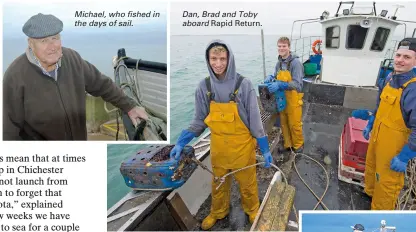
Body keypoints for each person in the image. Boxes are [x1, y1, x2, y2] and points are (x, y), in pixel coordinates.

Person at [170, 40, 273, 230]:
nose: (218, 63)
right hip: (218, 149)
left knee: (248, 185)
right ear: (208, 60)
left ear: (230, 59)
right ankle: (219, 212)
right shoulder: (204, 87)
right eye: (213, 59)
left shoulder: (244, 84)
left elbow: (256, 123)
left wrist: (265, 149)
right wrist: (180, 142)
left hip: (242, 149)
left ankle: (252, 210)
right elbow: (199, 121)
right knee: (218, 184)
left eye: (222, 59)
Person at [3, 13, 148, 140]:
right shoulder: (15, 76)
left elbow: (102, 84)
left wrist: (129, 107)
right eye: (43, 41)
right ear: (30, 43)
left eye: (55, 38)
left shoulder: (72, 59)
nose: (52, 46)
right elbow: (8, 130)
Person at [353, 38, 416, 210]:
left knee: (387, 182)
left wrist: (405, 155)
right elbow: (380, 104)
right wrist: (372, 121)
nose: (399, 60)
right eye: (398, 55)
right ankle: (369, 194)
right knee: (371, 167)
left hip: (394, 146)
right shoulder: (389, 77)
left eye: (406, 57)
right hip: (377, 136)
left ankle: (379, 214)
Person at [264, 36, 305, 153]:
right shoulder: (279, 63)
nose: (281, 48)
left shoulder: (296, 63)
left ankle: (298, 145)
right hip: (281, 100)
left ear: (289, 47)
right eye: (279, 46)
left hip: (293, 100)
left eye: (284, 46)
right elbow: (276, 76)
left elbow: (298, 85)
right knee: (284, 124)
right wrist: (271, 77)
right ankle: (288, 145)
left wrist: (280, 85)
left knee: (295, 125)